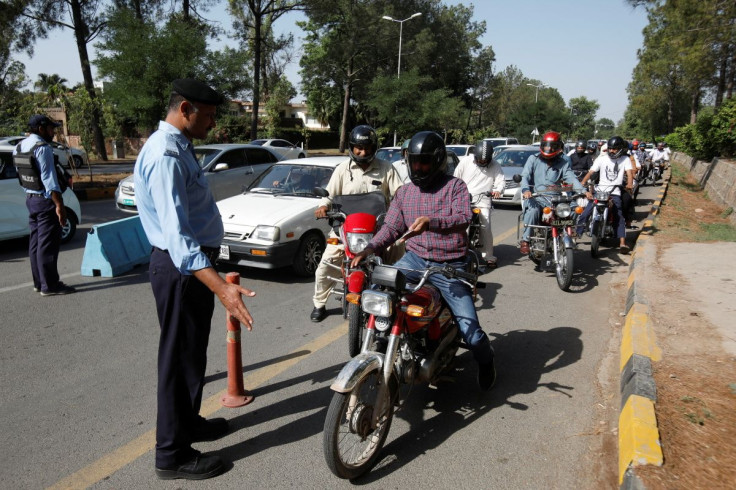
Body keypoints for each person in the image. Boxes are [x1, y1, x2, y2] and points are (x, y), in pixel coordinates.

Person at [134, 79, 257, 480]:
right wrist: (221, 286)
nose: (213, 124)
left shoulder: (179, 146)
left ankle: (187, 425)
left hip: (190, 266)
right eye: (207, 116)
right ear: (184, 108)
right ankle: (171, 454)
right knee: (177, 360)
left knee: (191, 356)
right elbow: (177, 235)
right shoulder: (166, 154)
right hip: (181, 268)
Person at [350, 131, 497, 391]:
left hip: (450, 265)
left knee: (470, 330)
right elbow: (391, 228)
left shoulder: (455, 187)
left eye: (424, 162)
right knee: (378, 292)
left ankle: (486, 362)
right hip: (414, 260)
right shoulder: (405, 193)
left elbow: (463, 217)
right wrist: (369, 248)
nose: (418, 168)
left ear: (438, 161)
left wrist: (433, 222)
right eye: (414, 162)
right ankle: (387, 344)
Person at [310, 125, 403, 322]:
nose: (362, 152)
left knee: (399, 249)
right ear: (352, 148)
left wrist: (400, 211)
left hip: (377, 230)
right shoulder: (342, 170)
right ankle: (319, 304)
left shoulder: (386, 168)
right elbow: (329, 195)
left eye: (367, 148)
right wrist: (323, 207)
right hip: (345, 230)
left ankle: (397, 294)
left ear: (373, 148)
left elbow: (400, 195)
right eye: (358, 148)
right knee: (325, 265)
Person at [13, 114, 76, 296]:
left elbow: (22, 175)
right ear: (40, 129)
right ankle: (50, 285)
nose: (53, 132)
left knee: (35, 243)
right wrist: (59, 206)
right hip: (45, 201)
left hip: (31, 199)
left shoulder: (19, 147)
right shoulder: (42, 148)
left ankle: (39, 283)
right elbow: (49, 180)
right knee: (47, 245)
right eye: (50, 128)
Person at [518, 131, 591, 255]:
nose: (548, 148)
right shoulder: (533, 159)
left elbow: (571, 178)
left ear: (558, 147)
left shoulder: (563, 162)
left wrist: (584, 191)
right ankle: (526, 240)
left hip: (556, 197)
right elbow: (525, 176)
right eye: (546, 145)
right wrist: (526, 190)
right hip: (538, 196)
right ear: (542, 145)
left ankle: (568, 232)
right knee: (533, 210)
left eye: (552, 146)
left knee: (574, 209)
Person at [576, 135, 635, 253]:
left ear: (620, 149)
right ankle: (577, 233)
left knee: (619, 215)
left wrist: (629, 184)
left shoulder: (625, 159)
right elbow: (591, 171)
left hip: (615, 192)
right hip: (600, 191)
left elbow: (629, 173)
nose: (612, 151)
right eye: (610, 148)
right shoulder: (602, 158)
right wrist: (582, 182)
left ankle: (622, 243)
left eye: (614, 149)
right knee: (586, 211)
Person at [453, 140, 505, 268]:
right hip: (463, 198)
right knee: (460, 226)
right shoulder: (465, 162)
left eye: (484, 161)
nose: (482, 162)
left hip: (483, 200)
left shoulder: (495, 165)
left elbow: (501, 181)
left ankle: (489, 257)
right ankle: (457, 253)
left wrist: (498, 191)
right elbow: (455, 178)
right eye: (480, 160)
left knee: (485, 226)